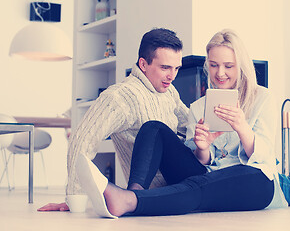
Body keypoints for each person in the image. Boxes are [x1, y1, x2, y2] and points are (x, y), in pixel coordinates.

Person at [75, 29, 290, 218]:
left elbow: (269, 160)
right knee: (154, 128)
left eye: (228, 66)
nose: (220, 73)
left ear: (240, 65)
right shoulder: (197, 106)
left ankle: (130, 203)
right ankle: (136, 192)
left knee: (262, 182)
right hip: (208, 176)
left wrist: (243, 128)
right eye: (213, 65)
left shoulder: (262, 99)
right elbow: (194, 161)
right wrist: (202, 149)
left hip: (253, 182)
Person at [38, 28, 188, 212]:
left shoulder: (169, 91)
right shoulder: (120, 97)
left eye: (176, 68)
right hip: (154, 192)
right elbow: (82, 139)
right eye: (165, 67)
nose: (172, 76)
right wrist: (75, 198)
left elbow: (190, 123)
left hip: (184, 180)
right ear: (143, 64)